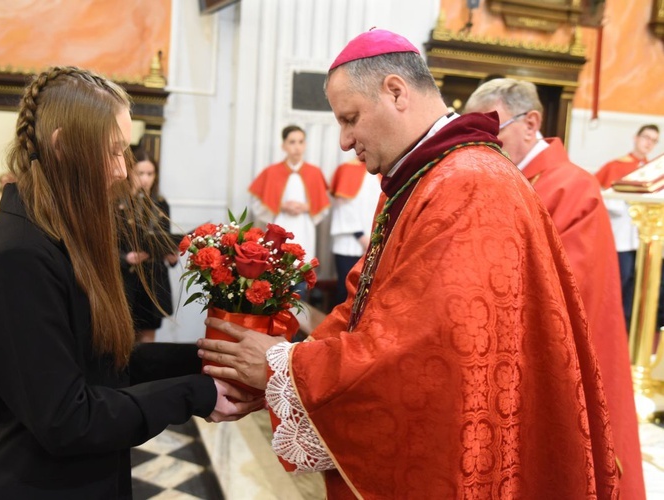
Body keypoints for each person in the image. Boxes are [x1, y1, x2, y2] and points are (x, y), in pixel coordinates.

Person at [198, 30, 621, 498]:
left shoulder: (469, 186)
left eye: (350, 119)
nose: (344, 141)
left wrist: (284, 367)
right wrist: (285, 373)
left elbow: (419, 355)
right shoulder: (422, 176)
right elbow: (364, 303)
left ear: (396, 91)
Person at [0, 66, 262, 499]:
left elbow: (102, 367)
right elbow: (68, 418)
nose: (122, 170)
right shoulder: (19, 254)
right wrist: (196, 393)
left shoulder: (59, 233)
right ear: (63, 146)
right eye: (112, 151)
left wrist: (208, 358)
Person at [464, 78, 644, 500]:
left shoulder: (570, 185)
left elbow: (569, 282)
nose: (483, 146)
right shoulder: (507, 178)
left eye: (492, 132)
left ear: (531, 123)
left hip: (564, 356)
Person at [248, 125, 330, 299]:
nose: (297, 147)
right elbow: (257, 202)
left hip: (304, 228)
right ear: (284, 146)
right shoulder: (272, 172)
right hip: (281, 227)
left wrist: (308, 207)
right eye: (292, 142)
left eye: (301, 142)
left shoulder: (314, 173)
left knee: (300, 280)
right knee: (277, 283)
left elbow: (324, 205)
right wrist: (282, 206)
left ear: (305, 145)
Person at [595, 124, 660, 330]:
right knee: (619, 279)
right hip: (621, 233)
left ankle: (625, 325)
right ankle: (607, 323)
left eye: (653, 140)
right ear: (636, 137)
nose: (648, 143)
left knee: (636, 283)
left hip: (643, 236)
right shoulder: (616, 165)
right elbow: (599, 193)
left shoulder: (653, 170)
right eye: (646, 137)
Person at [119, 147, 178, 343]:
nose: (145, 179)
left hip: (153, 280)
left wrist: (172, 256)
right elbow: (104, 245)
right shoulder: (116, 202)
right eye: (140, 173)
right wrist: (126, 258)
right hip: (125, 279)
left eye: (150, 174)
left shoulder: (160, 203)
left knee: (148, 342)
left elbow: (165, 238)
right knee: (124, 338)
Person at [328, 157, 380, 305]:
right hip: (349, 244)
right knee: (346, 291)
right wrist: (362, 237)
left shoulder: (381, 172)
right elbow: (343, 208)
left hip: (375, 242)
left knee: (369, 293)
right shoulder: (346, 169)